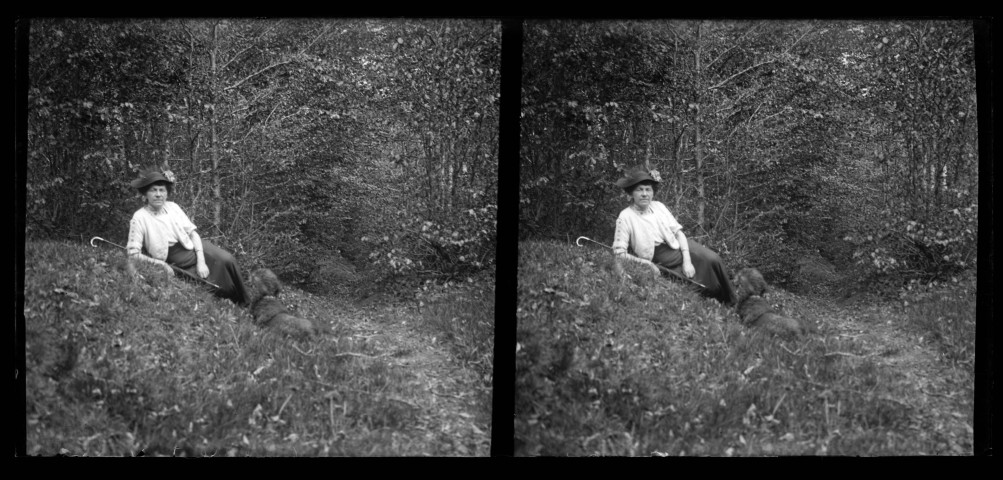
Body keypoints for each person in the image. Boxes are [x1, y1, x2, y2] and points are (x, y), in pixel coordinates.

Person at [611, 166, 737, 306]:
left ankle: (733, 301)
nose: (644, 194)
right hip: (660, 259)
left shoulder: (658, 206)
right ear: (631, 193)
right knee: (694, 286)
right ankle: (719, 303)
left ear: (653, 192)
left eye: (648, 189)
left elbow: (678, 233)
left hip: (680, 246)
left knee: (714, 260)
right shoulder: (625, 217)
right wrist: (647, 263)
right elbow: (619, 253)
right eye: (639, 190)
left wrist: (687, 261)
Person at [125, 167, 249, 306]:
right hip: (175, 262)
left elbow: (193, 233)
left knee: (228, 260)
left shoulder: (172, 207)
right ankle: (234, 303)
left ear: (167, 193)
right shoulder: (140, 217)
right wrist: (162, 264)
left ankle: (246, 301)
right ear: (145, 194)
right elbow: (133, 254)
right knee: (210, 287)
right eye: (153, 190)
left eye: (162, 190)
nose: (158, 194)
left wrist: (201, 261)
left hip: (195, 248)